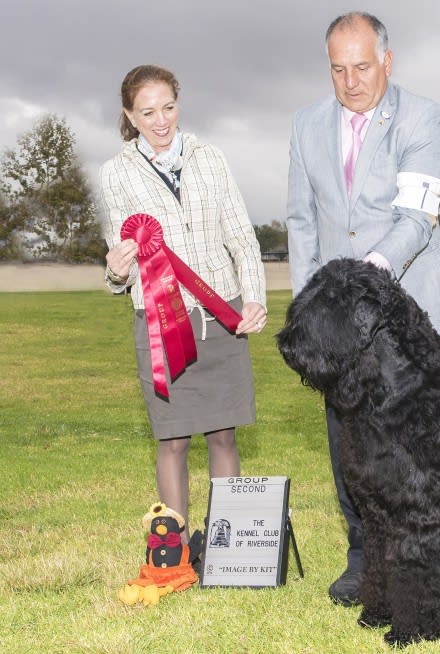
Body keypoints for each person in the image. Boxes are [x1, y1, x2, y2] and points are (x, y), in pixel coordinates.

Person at [286, 12, 440, 605]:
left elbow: (415, 218)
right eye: (338, 69)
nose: (351, 81)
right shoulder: (305, 124)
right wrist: (310, 308)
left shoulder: (421, 116)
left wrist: (368, 279)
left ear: (387, 61)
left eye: (362, 66)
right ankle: (364, 552)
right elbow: (301, 221)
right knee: (353, 446)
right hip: (343, 329)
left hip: (422, 313)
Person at [100, 64, 268, 543]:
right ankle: (173, 549)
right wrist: (115, 269)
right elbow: (122, 267)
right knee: (172, 439)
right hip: (158, 319)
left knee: (223, 435)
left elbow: (241, 235)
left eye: (168, 107)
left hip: (222, 316)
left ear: (179, 103)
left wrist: (253, 298)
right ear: (129, 116)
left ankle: (230, 547)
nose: (160, 120)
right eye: (147, 112)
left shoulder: (210, 157)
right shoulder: (115, 172)